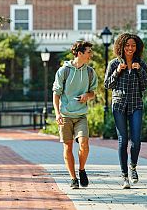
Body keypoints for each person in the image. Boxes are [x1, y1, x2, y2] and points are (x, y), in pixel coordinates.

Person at [104, 33, 147, 189]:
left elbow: (145, 86)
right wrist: (117, 71)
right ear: (121, 46)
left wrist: (139, 71)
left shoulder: (141, 64)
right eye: (127, 45)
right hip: (119, 105)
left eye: (133, 45)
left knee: (136, 140)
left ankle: (133, 167)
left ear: (137, 48)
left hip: (136, 105)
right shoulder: (113, 63)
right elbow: (107, 85)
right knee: (123, 140)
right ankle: (124, 176)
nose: (130, 48)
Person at [52, 40, 98, 189]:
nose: (91, 54)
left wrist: (87, 95)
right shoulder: (63, 71)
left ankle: (82, 169)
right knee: (68, 147)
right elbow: (56, 94)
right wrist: (57, 114)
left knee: (84, 144)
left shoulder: (90, 72)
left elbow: (93, 93)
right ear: (80, 53)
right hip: (65, 115)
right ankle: (73, 178)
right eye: (89, 52)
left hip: (81, 115)